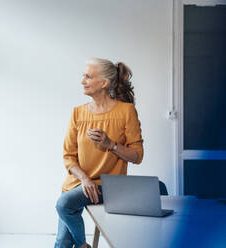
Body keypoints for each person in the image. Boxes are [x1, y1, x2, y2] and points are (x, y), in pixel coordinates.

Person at [54, 58, 144, 248]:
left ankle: (81, 245)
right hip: (78, 183)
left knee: (64, 205)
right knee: (62, 241)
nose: (82, 81)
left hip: (107, 186)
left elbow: (137, 156)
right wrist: (84, 179)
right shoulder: (77, 113)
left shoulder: (126, 111)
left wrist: (110, 144)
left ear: (104, 83)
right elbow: (68, 156)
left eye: (88, 76)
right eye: (83, 76)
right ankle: (82, 245)